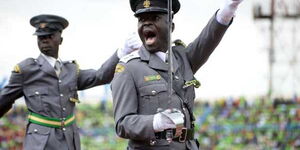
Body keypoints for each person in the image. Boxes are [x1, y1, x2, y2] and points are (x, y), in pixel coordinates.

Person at [111, 0, 243, 149]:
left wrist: (229, 8)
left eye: (155, 18)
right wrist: (155, 122)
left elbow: (208, 39)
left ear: (171, 27)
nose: (146, 24)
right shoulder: (128, 68)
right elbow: (122, 124)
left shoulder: (182, 57)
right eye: (142, 20)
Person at [0, 14, 140, 150]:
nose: (44, 40)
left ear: (60, 39)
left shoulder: (70, 70)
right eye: (41, 37)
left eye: (49, 36)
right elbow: (3, 100)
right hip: (40, 142)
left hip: (68, 139)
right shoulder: (26, 70)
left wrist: (122, 52)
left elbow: (99, 76)